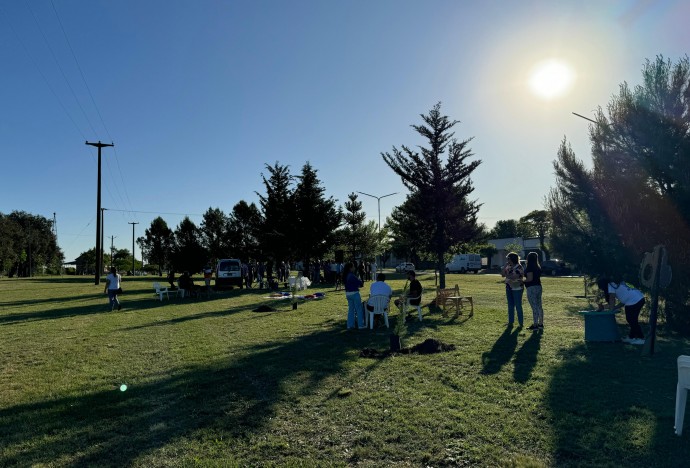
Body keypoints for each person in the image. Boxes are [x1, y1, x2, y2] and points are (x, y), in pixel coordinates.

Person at [596, 277, 646, 344]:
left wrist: (608, 308)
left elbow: (612, 299)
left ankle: (641, 338)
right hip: (639, 298)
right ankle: (632, 337)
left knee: (632, 320)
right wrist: (613, 307)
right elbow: (623, 300)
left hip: (634, 301)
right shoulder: (615, 284)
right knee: (631, 319)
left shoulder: (610, 286)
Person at [501, 252, 525, 327]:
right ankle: (510, 322)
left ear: (512, 259)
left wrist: (507, 275)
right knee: (510, 306)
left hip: (517, 288)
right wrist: (505, 266)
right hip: (509, 287)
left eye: (508, 258)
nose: (507, 260)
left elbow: (514, 277)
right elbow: (502, 274)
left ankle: (521, 323)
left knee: (518, 305)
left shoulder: (519, 267)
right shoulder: (508, 266)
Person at [524, 252, 543, 330]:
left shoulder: (529, 267)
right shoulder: (538, 267)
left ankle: (535, 325)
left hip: (531, 288)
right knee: (539, 306)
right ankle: (540, 324)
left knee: (534, 307)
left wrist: (522, 281)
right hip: (539, 286)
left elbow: (530, 279)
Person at [343, 262, 365, 329]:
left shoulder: (345, 275)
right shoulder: (352, 276)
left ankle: (350, 325)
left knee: (351, 310)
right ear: (350, 268)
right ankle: (360, 325)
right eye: (353, 267)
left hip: (348, 294)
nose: (354, 268)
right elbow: (360, 283)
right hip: (354, 293)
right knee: (359, 309)